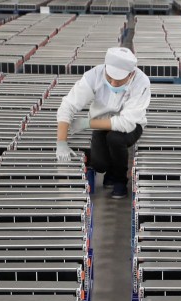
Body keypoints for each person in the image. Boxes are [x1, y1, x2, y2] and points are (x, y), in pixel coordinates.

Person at [56, 46, 151, 199]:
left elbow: (126, 123)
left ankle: (119, 179)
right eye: (109, 77)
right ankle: (110, 171)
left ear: (131, 74)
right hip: (100, 123)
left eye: (119, 80)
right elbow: (68, 105)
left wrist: (87, 123)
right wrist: (61, 142)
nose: (113, 83)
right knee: (100, 165)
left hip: (131, 127)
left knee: (115, 138)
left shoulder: (141, 82)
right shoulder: (94, 75)